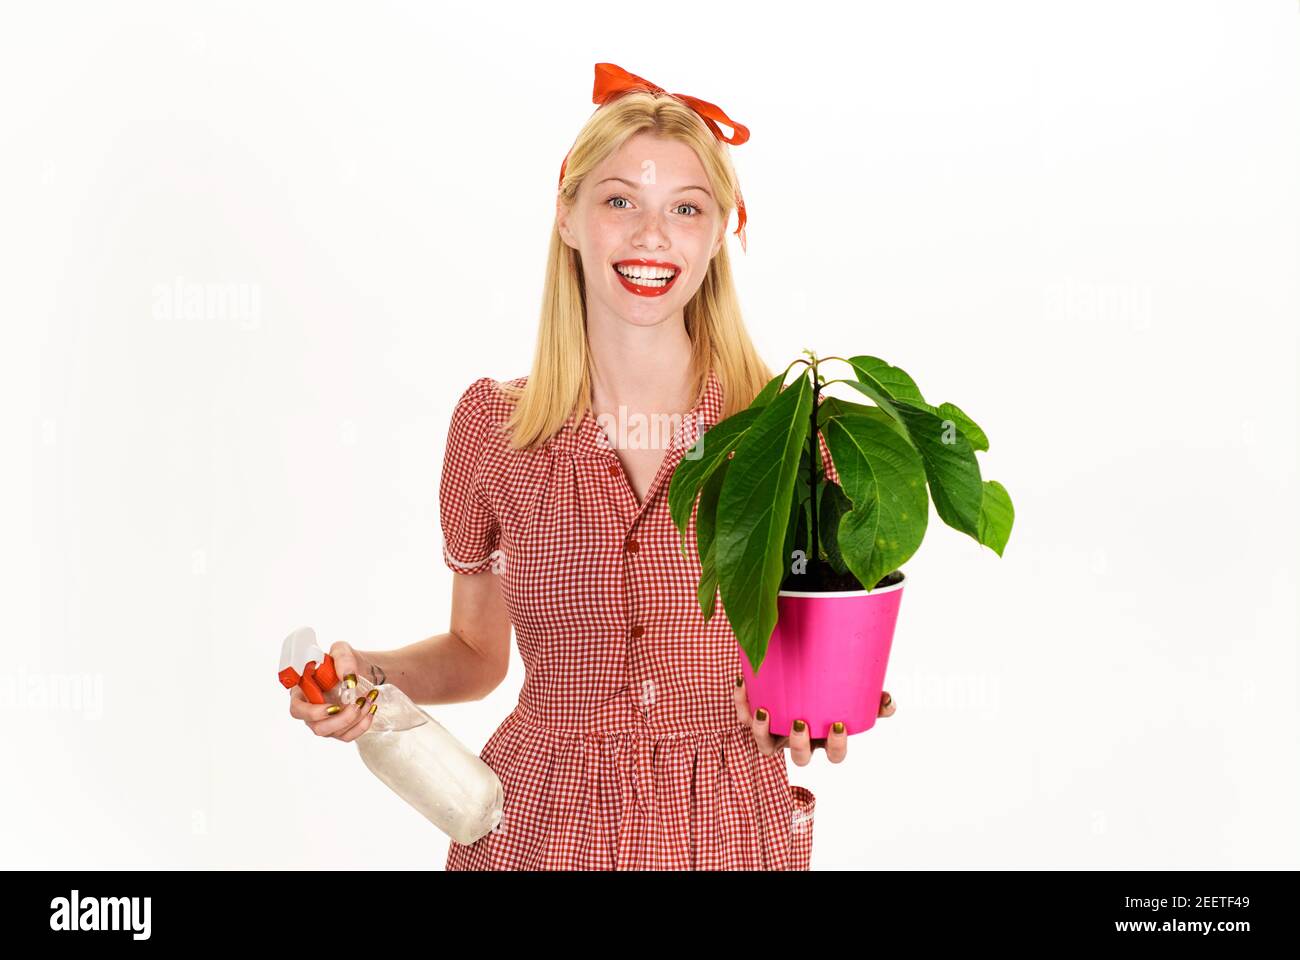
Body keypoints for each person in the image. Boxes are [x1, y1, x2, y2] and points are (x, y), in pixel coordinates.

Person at [288, 63, 895, 870]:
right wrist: (372, 674)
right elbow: (478, 656)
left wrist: (818, 706)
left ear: (721, 235)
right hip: (540, 825)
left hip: (720, 827)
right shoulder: (493, 429)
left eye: (687, 209)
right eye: (620, 201)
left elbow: (820, 654)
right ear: (567, 216)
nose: (652, 235)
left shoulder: (786, 434)